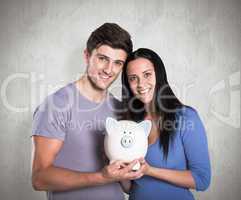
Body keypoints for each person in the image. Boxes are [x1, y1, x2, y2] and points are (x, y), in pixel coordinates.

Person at [31, 23, 144, 200]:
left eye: (117, 63)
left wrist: (134, 170)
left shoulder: (121, 109)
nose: (109, 69)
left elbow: (127, 185)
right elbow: (40, 178)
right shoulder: (55, 105)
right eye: (102, 58)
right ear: (87, 56)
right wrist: (102, 177)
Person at [121, 48, 211, 200]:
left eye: (147, 74)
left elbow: (202, 179)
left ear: (159, 75)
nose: (141, 84)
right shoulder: (130, 124)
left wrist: (150, 171)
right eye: (133, 78)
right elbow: (131, 188)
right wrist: (116, 165)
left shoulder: (186, 117)